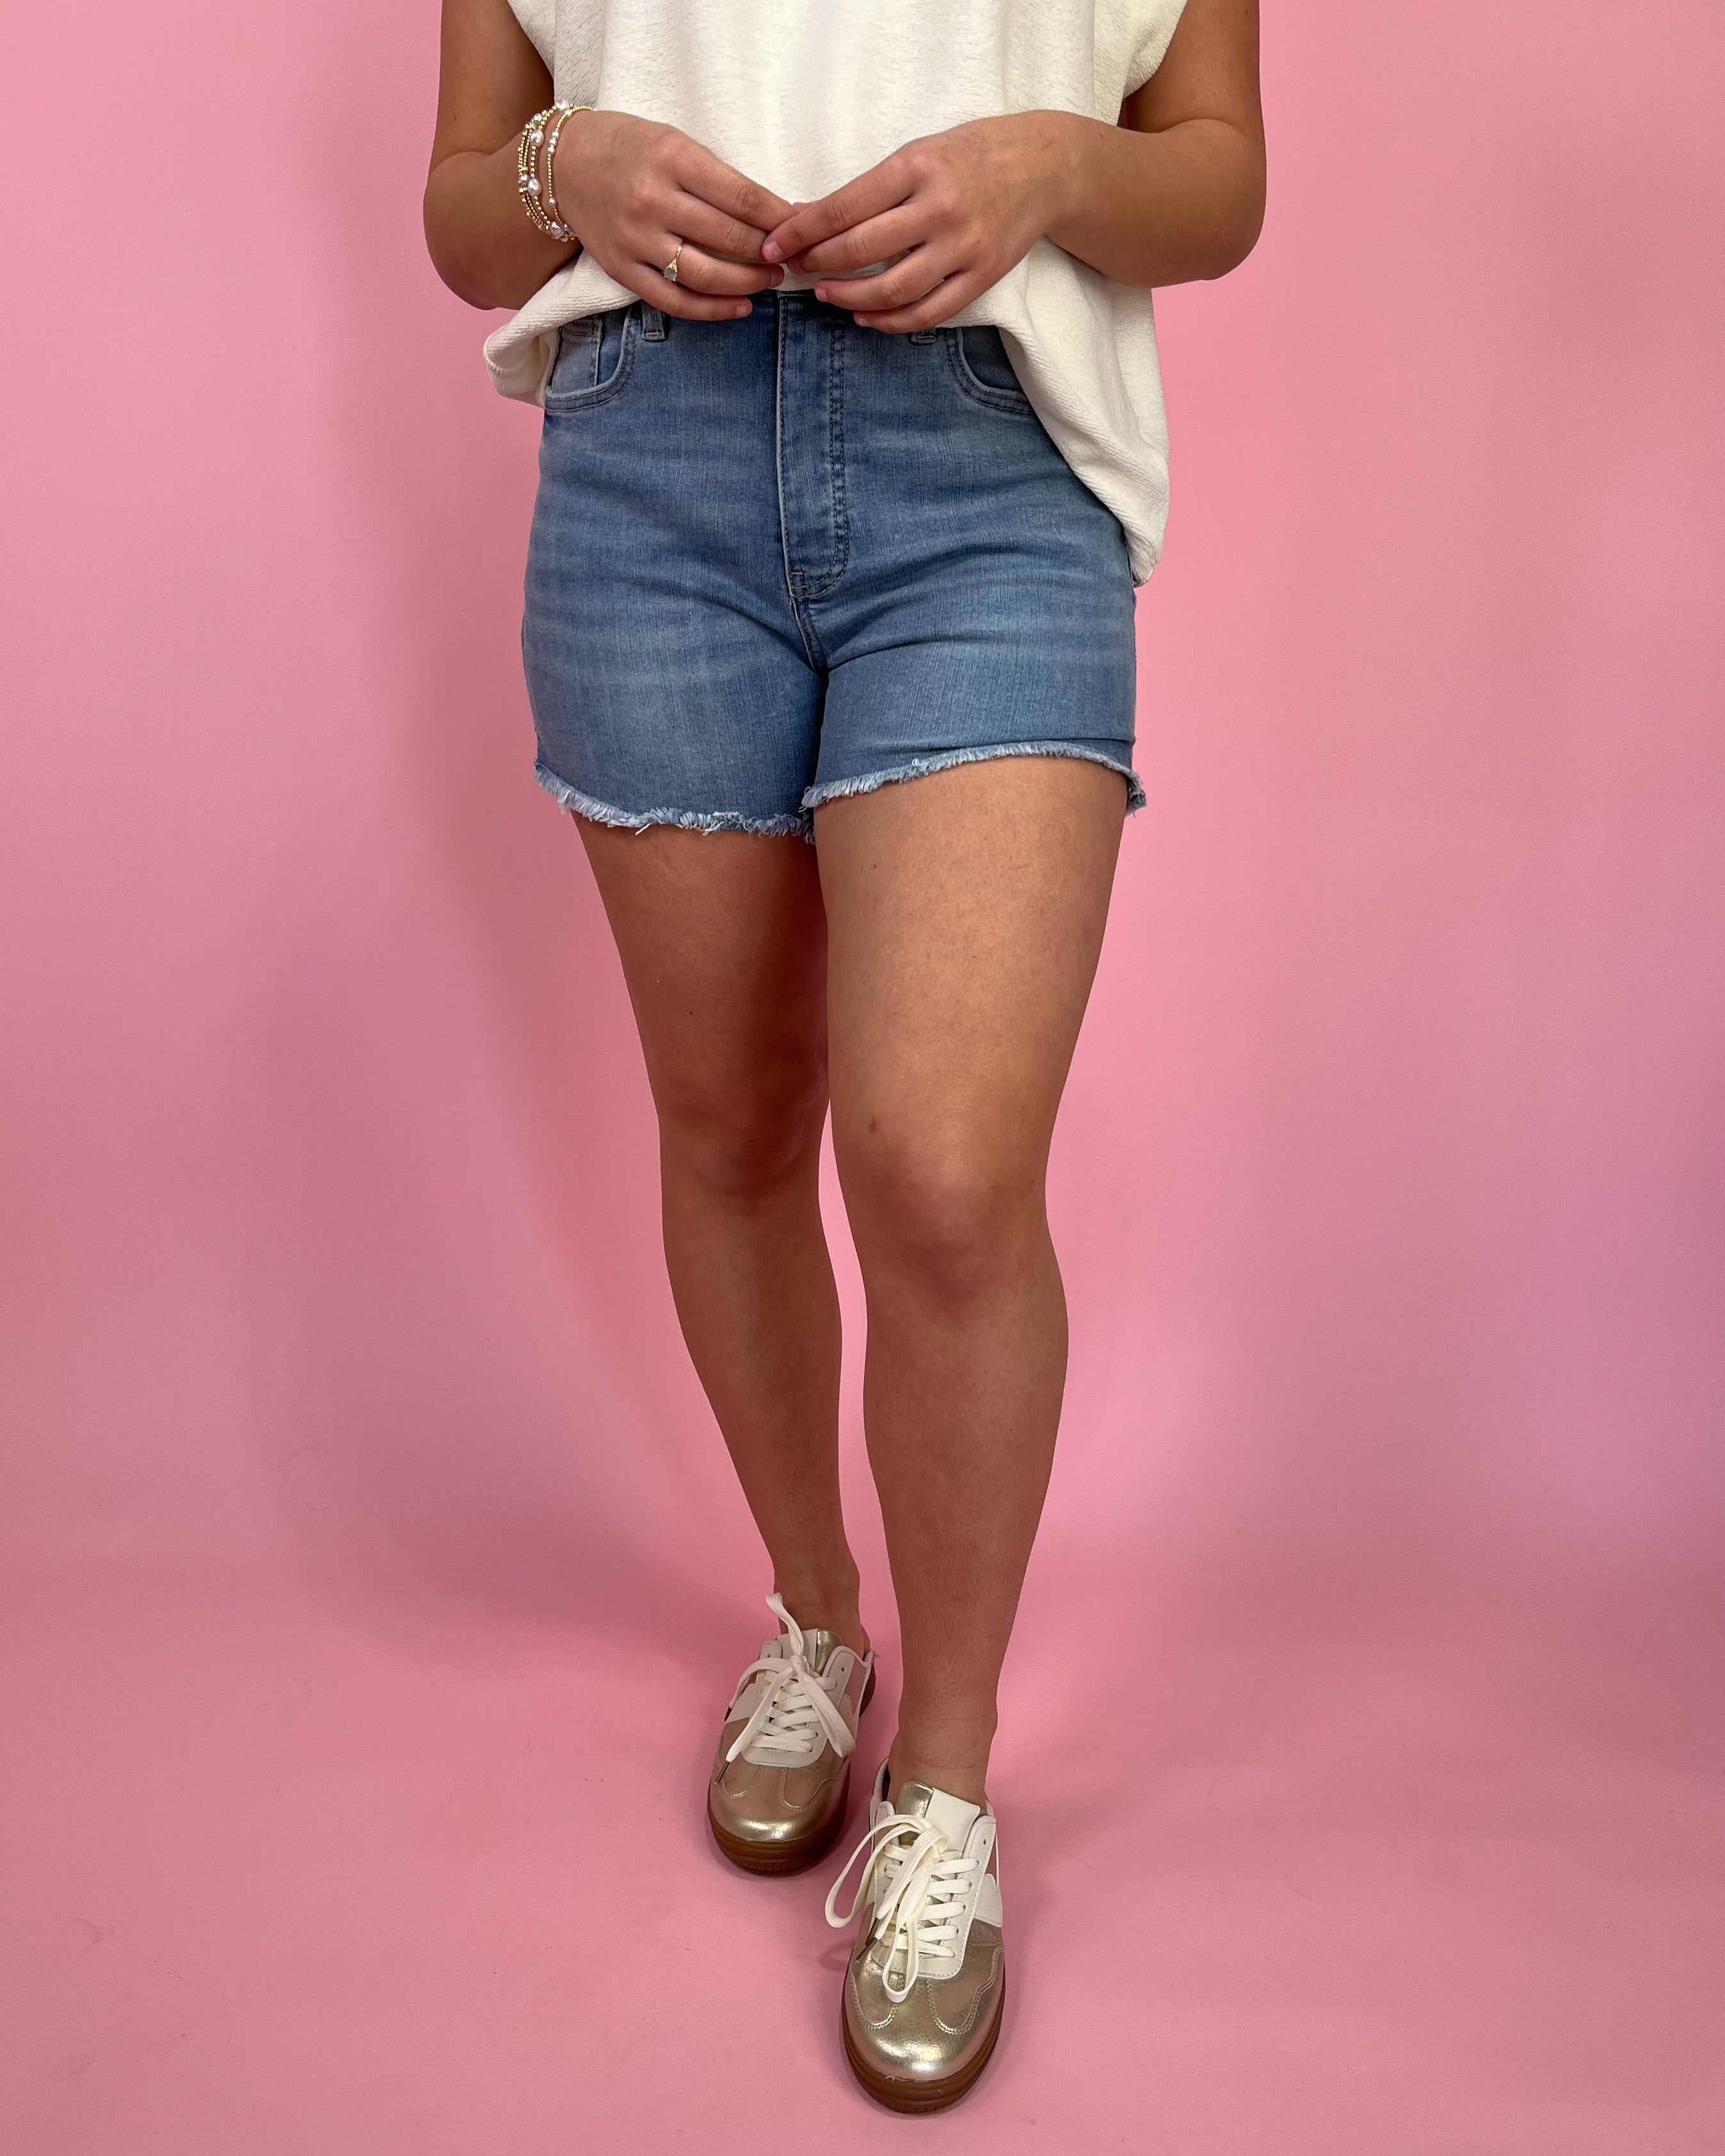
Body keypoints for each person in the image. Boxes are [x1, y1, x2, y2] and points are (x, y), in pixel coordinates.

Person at [424, 0, 1263, 2109]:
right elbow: (460, 208)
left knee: (947, 1172)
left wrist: (1050, 168)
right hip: (648, 456)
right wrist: (561, 173)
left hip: (993, 462)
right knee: (730, 1123)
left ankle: (945, 1785)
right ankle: (815, 1620)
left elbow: (1221, 173)